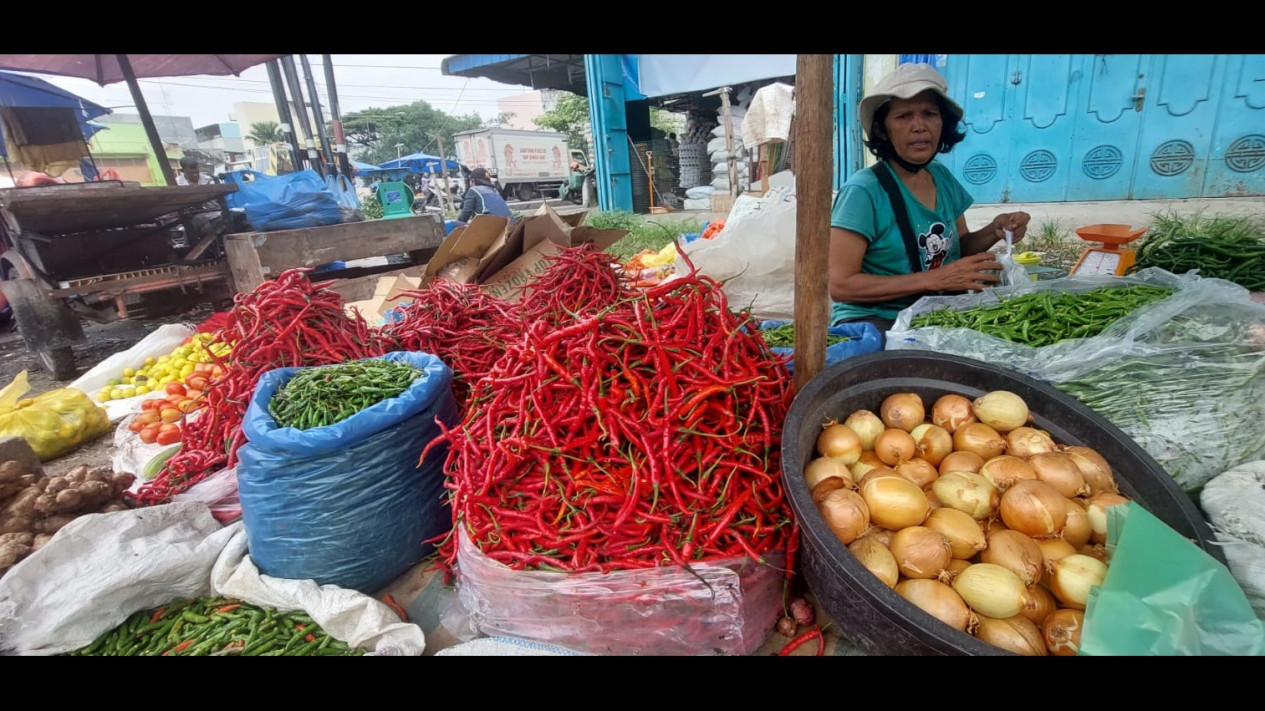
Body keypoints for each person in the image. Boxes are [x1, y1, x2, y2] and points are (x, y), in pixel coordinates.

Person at [828, 63, 1031, 338]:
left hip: (934, 310)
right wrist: (937, 279)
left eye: (929, 114)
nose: (919, 126)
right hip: (875, 320)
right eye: (904, 116)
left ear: (942, 123)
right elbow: (841, 285)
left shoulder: (941, 177)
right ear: (883, 130)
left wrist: (993, 230)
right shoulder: (863, 191)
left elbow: (958, 248)